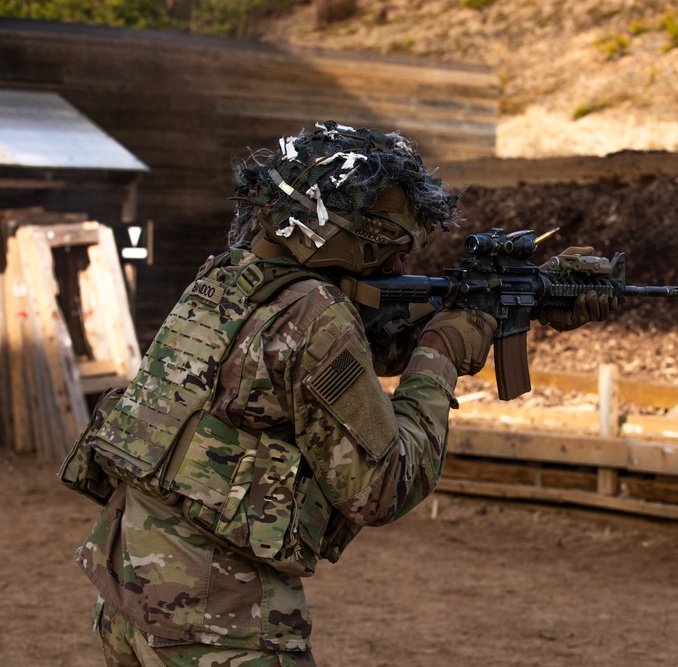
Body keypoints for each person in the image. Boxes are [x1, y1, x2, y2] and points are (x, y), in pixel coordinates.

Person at [59, 120, 608, 666]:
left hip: (132, 595)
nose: (398, 264)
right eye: (390, 246)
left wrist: (518, 303)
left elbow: (314, 362)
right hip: (220, 625)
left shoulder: (228, 277)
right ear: (339, 232)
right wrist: (439, 353)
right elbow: (384, 486)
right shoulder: (317, 315)